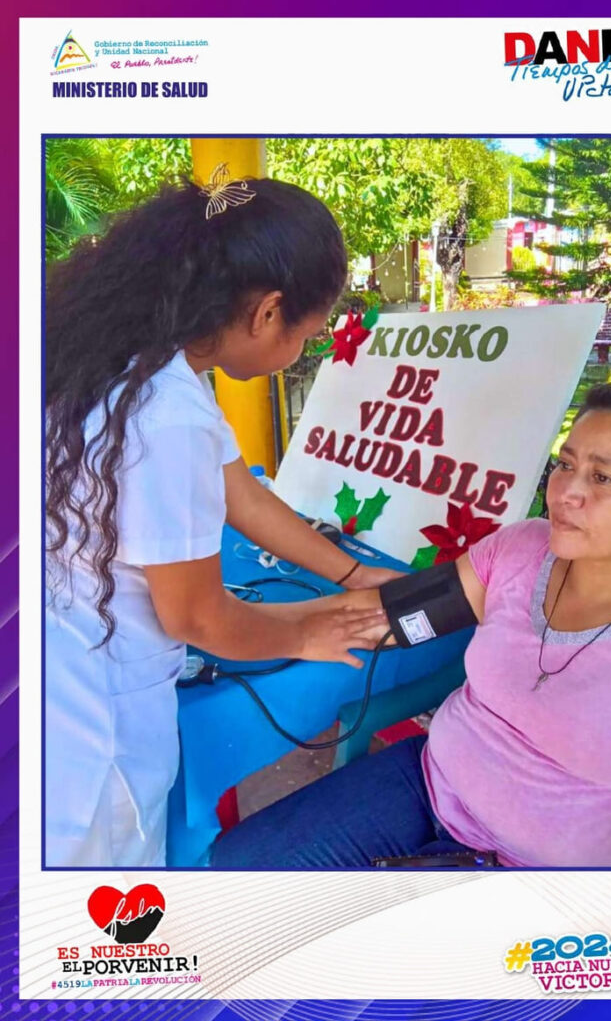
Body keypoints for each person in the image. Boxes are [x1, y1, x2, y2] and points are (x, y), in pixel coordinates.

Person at [45, 174, 399, 868]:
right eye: (310, 334)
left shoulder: (132, 360)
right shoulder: (166, 413)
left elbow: (242, 493)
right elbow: (197, 618)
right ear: (268, 312)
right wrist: (308, 631)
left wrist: (354, 573)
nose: (304, 352)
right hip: (90, 726)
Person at [212, 379, 611, 869]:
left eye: (602, 478)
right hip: (429, 786)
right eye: (565, 465)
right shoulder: (520, 550)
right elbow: (383, 616)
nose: (566, 493)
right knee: (233, 871)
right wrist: (232, 623)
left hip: (542, 874)